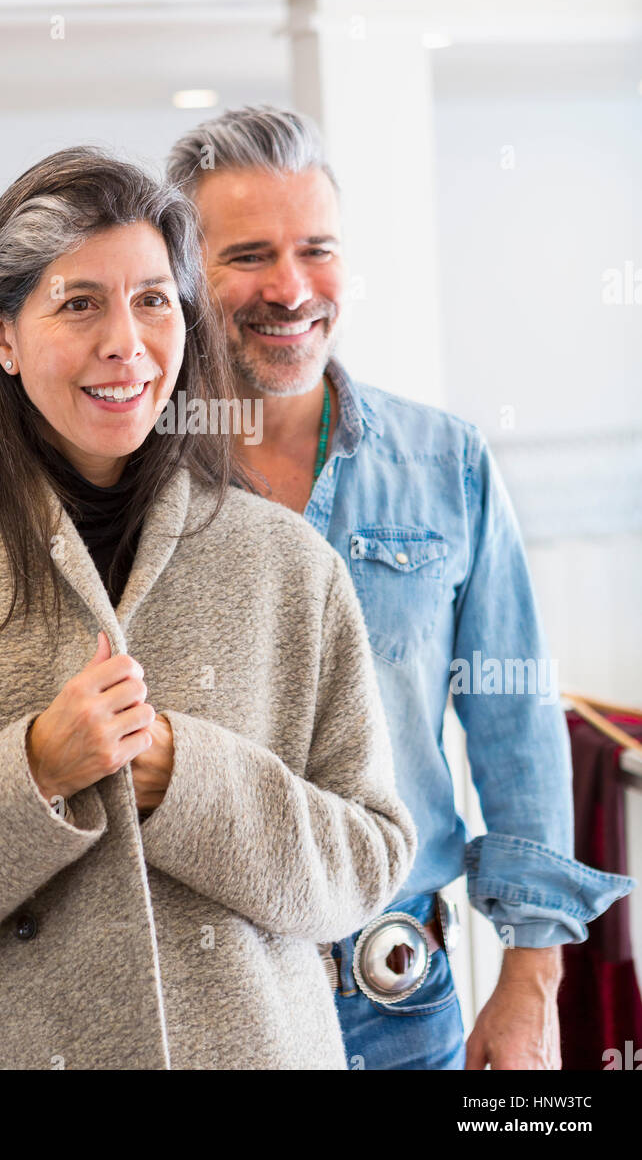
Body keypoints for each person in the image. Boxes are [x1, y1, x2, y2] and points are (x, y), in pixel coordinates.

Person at [0, 147, 416, 1071]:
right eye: (79, 303)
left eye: (154, 300)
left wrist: (185, 779)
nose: (126, 341)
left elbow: (365, 869)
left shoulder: (291, 567)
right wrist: (33, 775)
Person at [166, 104, 634, 1071]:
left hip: (400, 990)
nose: (291, 288)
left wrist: (529, 983)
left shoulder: (445, 463)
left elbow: (513, 724)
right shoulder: (134, 477)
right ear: (181, 274)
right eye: (248, 254)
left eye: (317, 249)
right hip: (205, 994)